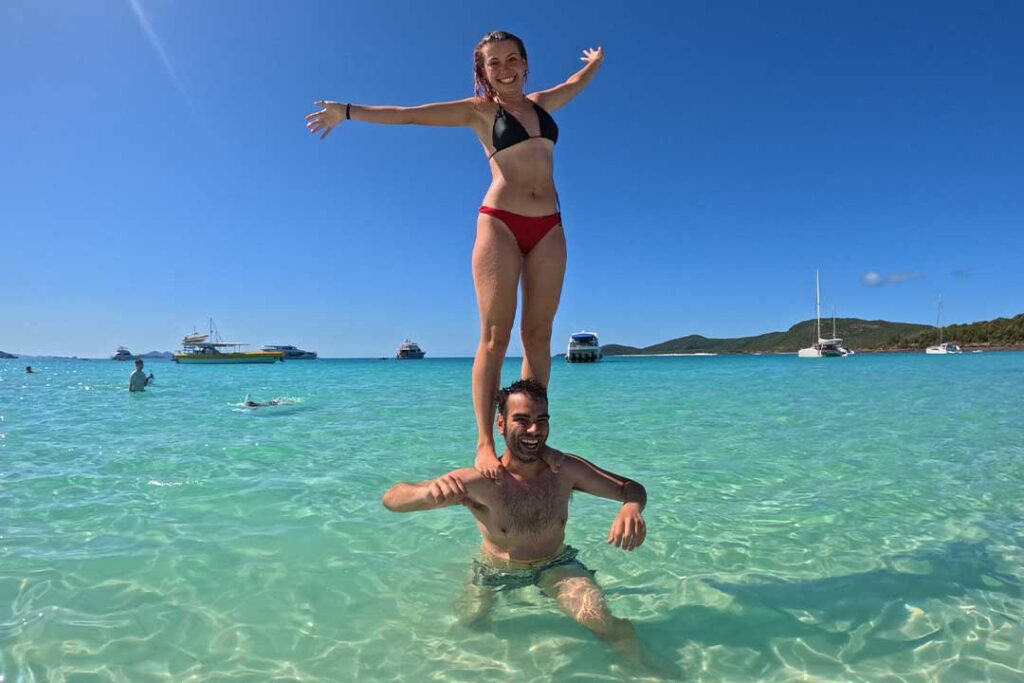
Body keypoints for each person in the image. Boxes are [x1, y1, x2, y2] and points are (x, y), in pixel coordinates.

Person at [307, 31, 604, 480]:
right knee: (494, 337)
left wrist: (594, 62)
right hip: (500, 221)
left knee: (539, 335)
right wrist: (346, 112)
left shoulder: (544, 103)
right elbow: (407, 116)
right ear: (482, 72)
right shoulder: (479, 111)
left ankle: (530, 434)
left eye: (511, 60)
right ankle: (486, 441)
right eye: (493, 63)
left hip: (550, 227)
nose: (504, 69)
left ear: (525, 62)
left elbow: (577, 83)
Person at [381, 379, 646, 655]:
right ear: (500, 425)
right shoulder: (480, 482)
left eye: (541, 420)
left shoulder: (565, 470)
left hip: (556, 565)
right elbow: (392, 499)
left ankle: (644, 669)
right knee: (467, 624)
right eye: (522, 420)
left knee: (602, 623)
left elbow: (632, 488)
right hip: (495, 569)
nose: (534, 430)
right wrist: (428, 494)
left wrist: (631, 507)